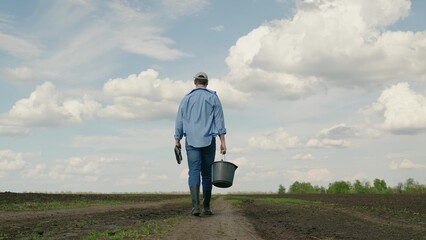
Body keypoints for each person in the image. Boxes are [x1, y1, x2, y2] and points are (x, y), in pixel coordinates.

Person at [174, 72, 227, 216]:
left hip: (191, 142)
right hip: (209, 141)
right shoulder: (213, 97)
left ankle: (195, 207)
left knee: (194, 172)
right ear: (207, 83)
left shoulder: (186, 99)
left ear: (195, 83)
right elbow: (220, 121)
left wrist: (177, 139)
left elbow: (179, 121)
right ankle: (207, 207)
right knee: (207, 174)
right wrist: (223, 142)